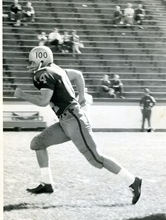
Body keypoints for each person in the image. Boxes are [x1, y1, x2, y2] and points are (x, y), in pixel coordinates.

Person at [13, 46, 142, 204]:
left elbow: (43, 101)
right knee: (37, 143)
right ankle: (46, 183)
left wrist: (23, 95)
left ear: (41, 59)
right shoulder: (57, 70)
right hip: (66, 120)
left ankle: (132, 180)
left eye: (32, 61)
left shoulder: (44, 74)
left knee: (96, 159)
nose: (30, 64)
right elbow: (78, 75)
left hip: (74, 120)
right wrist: (81, 96)